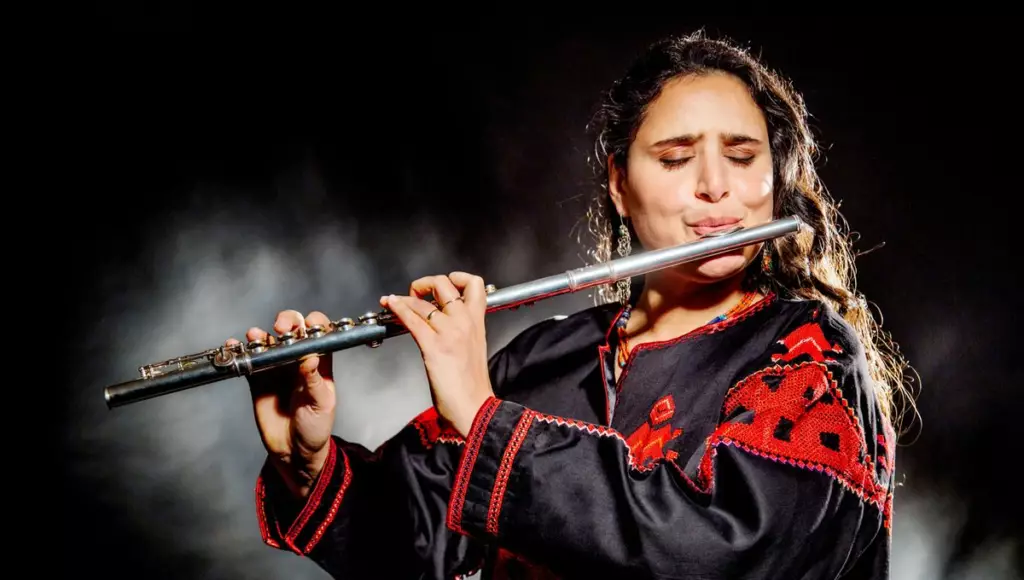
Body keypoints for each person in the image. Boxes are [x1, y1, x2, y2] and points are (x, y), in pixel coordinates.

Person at [229, 30, 909, 579]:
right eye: (676, 158)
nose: (714, 186)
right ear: (619, 184)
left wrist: (486, 420)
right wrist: (306, 463)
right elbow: (412, 544)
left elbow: (728, 555)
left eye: (742, 155)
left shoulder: (809, 354)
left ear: (774, 178)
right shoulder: (547, 356)